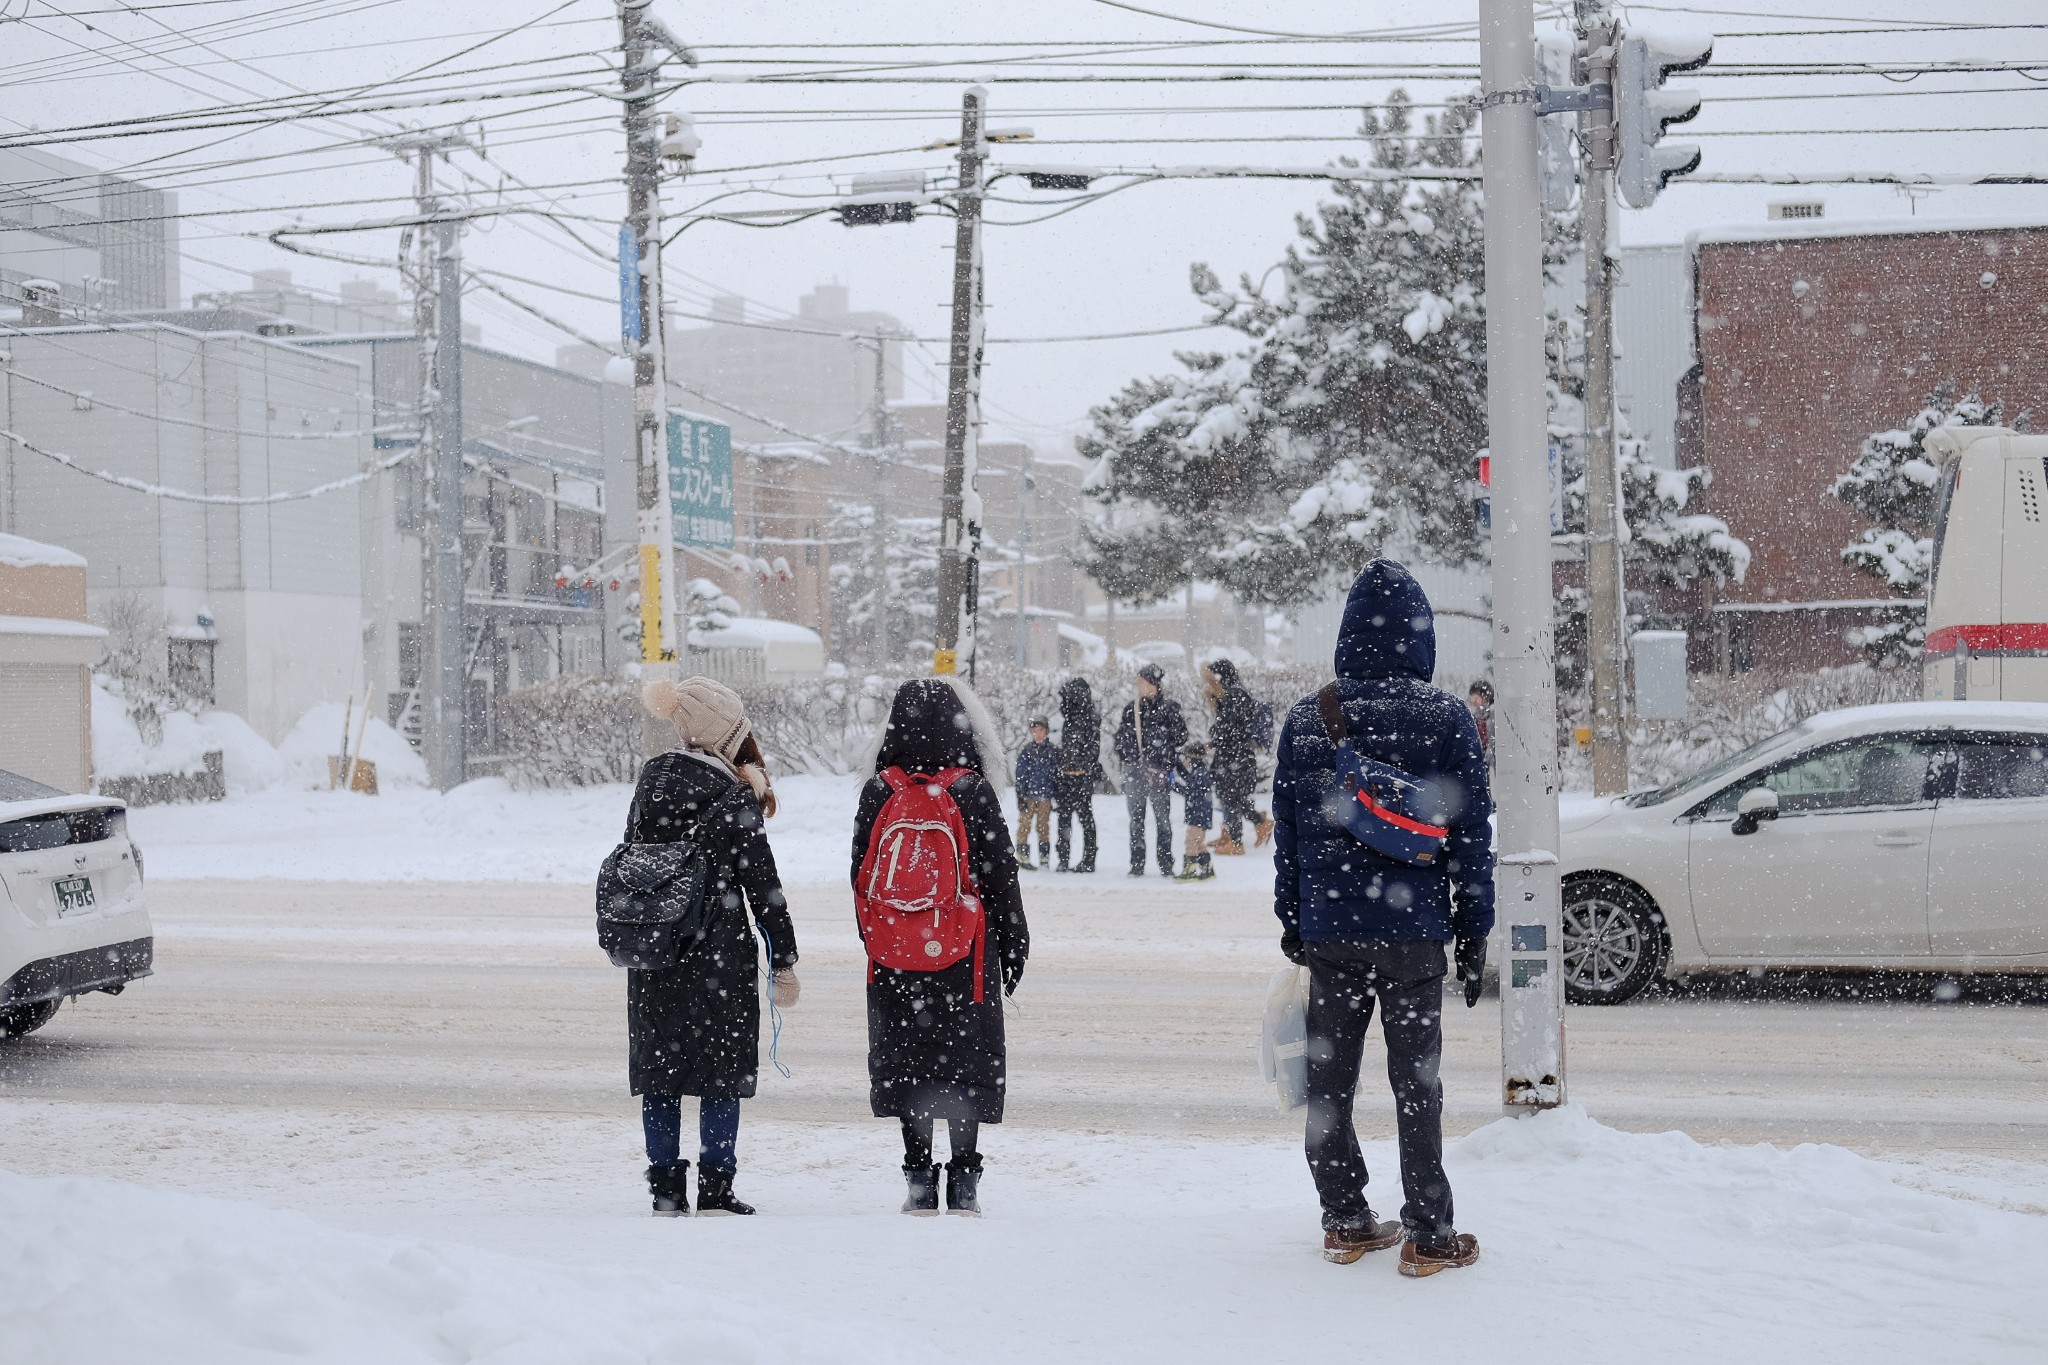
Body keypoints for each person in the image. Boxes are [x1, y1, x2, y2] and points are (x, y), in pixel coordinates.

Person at [1270, 559, 1494, 1277]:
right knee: (1416, 1083)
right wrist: (1472, 927)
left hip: (1332, 932)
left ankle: (1344, 1218)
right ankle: (1428, 1233)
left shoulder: (1309, 719)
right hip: (1415, 934)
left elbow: (1289, 836)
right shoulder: (1446, 716)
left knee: (1328, 1081)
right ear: (1419, 637)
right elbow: (1472, 838)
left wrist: (1295, 920)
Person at [852, 678, 1031, 1216]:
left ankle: (918, 1179)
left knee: (910, 1063)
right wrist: (1015, 940)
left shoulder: (880, 790)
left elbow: (860, 877)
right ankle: (966, 1180)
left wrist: (881, 935)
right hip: (964, 954)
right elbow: (1001, 874)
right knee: (962, 1062)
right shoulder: (971, 791)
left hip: (894, 960)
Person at [629, 676, 801, 1218]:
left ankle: (664, 1187)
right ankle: (716, 1185)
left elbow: (637, 866)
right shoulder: (734, 797)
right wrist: (784, 959)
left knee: (662, 1071)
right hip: (718, 957)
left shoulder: (650, 782)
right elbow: (764, 888)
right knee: (720, 1071)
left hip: (655, 950)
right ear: (725, 735)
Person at [1114, 662, 1186, 877]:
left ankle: (1166, 863)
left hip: (1159, 774)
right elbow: (1121, 739)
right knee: (1136, 820)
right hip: (1135, 773)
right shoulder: (1132, 709)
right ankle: (1137, 864)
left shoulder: (1170, 708)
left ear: (1153, 683)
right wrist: (1132, 757)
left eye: (1141, 682)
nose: (1138, 686)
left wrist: (1162, 759)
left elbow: (1180, 736)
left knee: (1163, 820)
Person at [1202, 658, 1276, 855]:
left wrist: (1212, 742)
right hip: (1233, 755)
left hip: (1235, 756)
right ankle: (1255, 825)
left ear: (1220, 676)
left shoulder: (1235, 695)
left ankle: (1235, 842)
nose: (1208, 681)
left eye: (1211, 677)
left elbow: (1230, 730)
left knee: (1231, 797)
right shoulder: (1232, 693)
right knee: (1233, 797)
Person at [1053, 677, 1101, 873]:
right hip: (1068, 776)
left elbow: (1092, 750)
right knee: (1068, 818)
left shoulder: (1085, 719)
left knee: (1082, 818)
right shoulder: (1072, 718)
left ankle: (1086, 860)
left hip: (1080, 776)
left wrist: (1081, 766)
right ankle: (1066, 858)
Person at [1013, 716, 1056, 870]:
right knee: (1024, 826)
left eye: (1040, 730)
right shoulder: (1027, 751)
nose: (1037, 734)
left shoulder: (1052, 751)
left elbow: (1055, 774)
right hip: (1028, 796)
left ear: (1046, 731)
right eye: (1034, 731)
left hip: (1045, 797)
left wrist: (1055, 794)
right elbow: (1021, 774)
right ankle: (1023, 857)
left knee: (1043, 827)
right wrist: (1020, 795)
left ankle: (1044, 857)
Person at [1172, 739, 1217, 882]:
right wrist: (1178, 766)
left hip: (1198, 815)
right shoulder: (1199, 770)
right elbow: (1189, 779)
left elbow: (1189, 791)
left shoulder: (1199, 774)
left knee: (1191, 842)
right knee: (1198, 843)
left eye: (1185, 758)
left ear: (1191, 758)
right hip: (1200, 815)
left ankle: (1190, 870)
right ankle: (1207, 868)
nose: (1184, 760)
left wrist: (1173, 784)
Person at [1467, 680, 1495, 770]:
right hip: (1481, 760)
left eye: (1476, 698)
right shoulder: (1475, 717)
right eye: (1472, 698)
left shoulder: (1493, 714)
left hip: (1492, 760)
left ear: (1486, 696)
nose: (1473, 701)